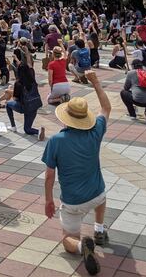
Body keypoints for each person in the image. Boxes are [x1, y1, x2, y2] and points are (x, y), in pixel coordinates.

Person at [42, 70, 111, 276]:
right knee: (101, 196)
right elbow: (106, 108)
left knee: (67, 239)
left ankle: (82, 247)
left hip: (72, 202)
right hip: (96, 193)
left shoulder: (56, 141)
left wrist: (48, 201)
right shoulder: (96, 131)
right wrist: (95, 82)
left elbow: (49, 176)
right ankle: (99, 229)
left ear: (66, 117)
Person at [6, 46, 46, 139]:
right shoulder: (32, 78)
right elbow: (27, 64)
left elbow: (15, 99)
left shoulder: (18, 83)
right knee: (27, 129)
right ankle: (39, 131)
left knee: (8, 105)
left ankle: (13, 126)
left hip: (24, 107)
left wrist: (10, 91)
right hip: (35, 105)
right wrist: (27, 52)